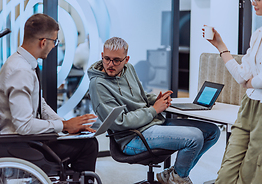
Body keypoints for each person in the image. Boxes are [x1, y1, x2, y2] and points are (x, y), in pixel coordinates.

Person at [88, 37, 220, 184]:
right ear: (102, 56)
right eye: (107, 59)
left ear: (126, 59)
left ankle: (174, 174)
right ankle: (178, 178)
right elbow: (119, 122)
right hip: (132, 137)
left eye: (116, 60)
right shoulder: (98, 85)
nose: (110, 64)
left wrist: (156, 100)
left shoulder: (129, 69)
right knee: (194, 137)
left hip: (152, 123)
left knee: (213, 131)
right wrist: (153, 110)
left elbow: (140, 96)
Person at [0, 13, 98, 183]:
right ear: (43, 42)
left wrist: (66, 126)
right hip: (18, 143)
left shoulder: (22, 63)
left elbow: (39, 103)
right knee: (88, 146)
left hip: (23, 139)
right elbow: (24, 126)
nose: (54, 46)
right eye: (55, 41)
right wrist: (63, 125)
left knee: (83, 140)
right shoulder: (21, 71)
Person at [203, 0, 262, 184]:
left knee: (252, 174)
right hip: (249, 106)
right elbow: (241, 76)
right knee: (226, 172)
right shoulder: (257, 34)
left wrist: (252, 82)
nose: (254, 3)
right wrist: (220, 45)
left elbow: (253, 80)